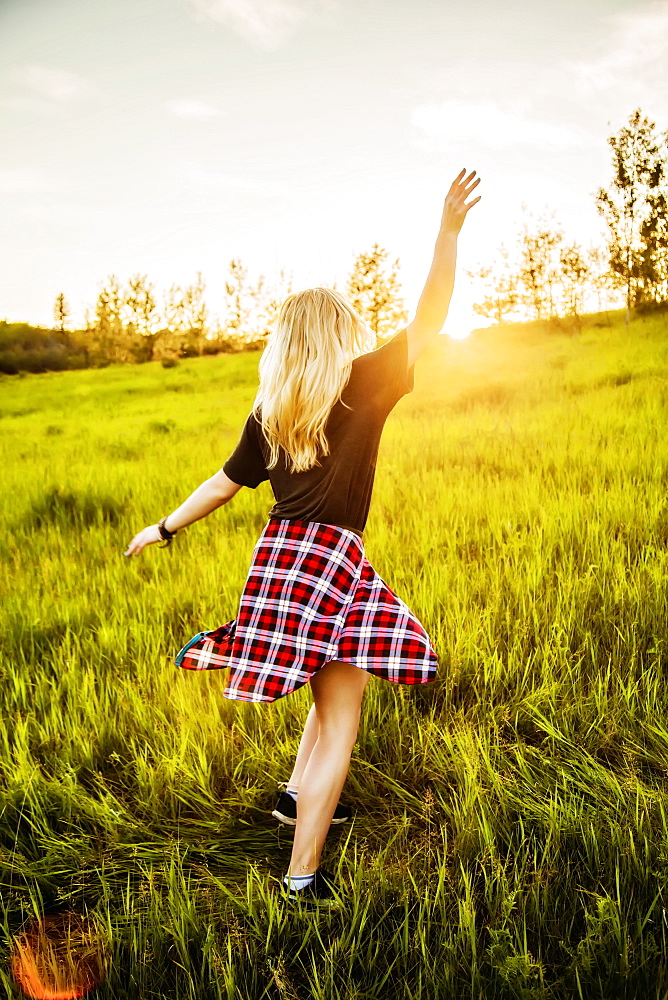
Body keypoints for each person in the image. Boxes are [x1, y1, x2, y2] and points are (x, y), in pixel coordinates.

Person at [124, 168, 482, 908]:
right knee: (342, 717)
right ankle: (301, 875)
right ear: (339, 337)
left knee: (329, 692)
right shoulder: (362, 384)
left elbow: (220, 486)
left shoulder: (270, 413)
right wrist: (447, 233)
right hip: (330, 562)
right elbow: (430, 313)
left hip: (278, 561)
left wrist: (161, 527)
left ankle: (293, 797)